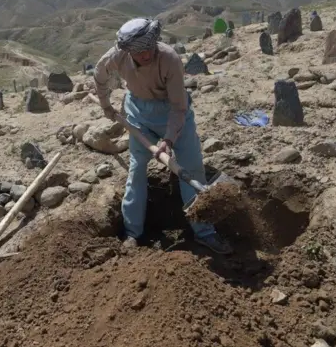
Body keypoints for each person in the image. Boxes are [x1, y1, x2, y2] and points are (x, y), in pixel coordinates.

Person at [93, 17, 233, 255]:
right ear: (128, 51)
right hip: (138, 114)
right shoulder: (116, 56)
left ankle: (204, 233)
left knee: (191, 169)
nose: (146, 55)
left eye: (149, 49)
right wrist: (106, 105)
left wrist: (167, 140)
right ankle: (132, 233)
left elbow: (179, 108)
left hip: (173, 112)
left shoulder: (169, 59)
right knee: (137, 171)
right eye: (139, 52)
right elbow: (100, 75)